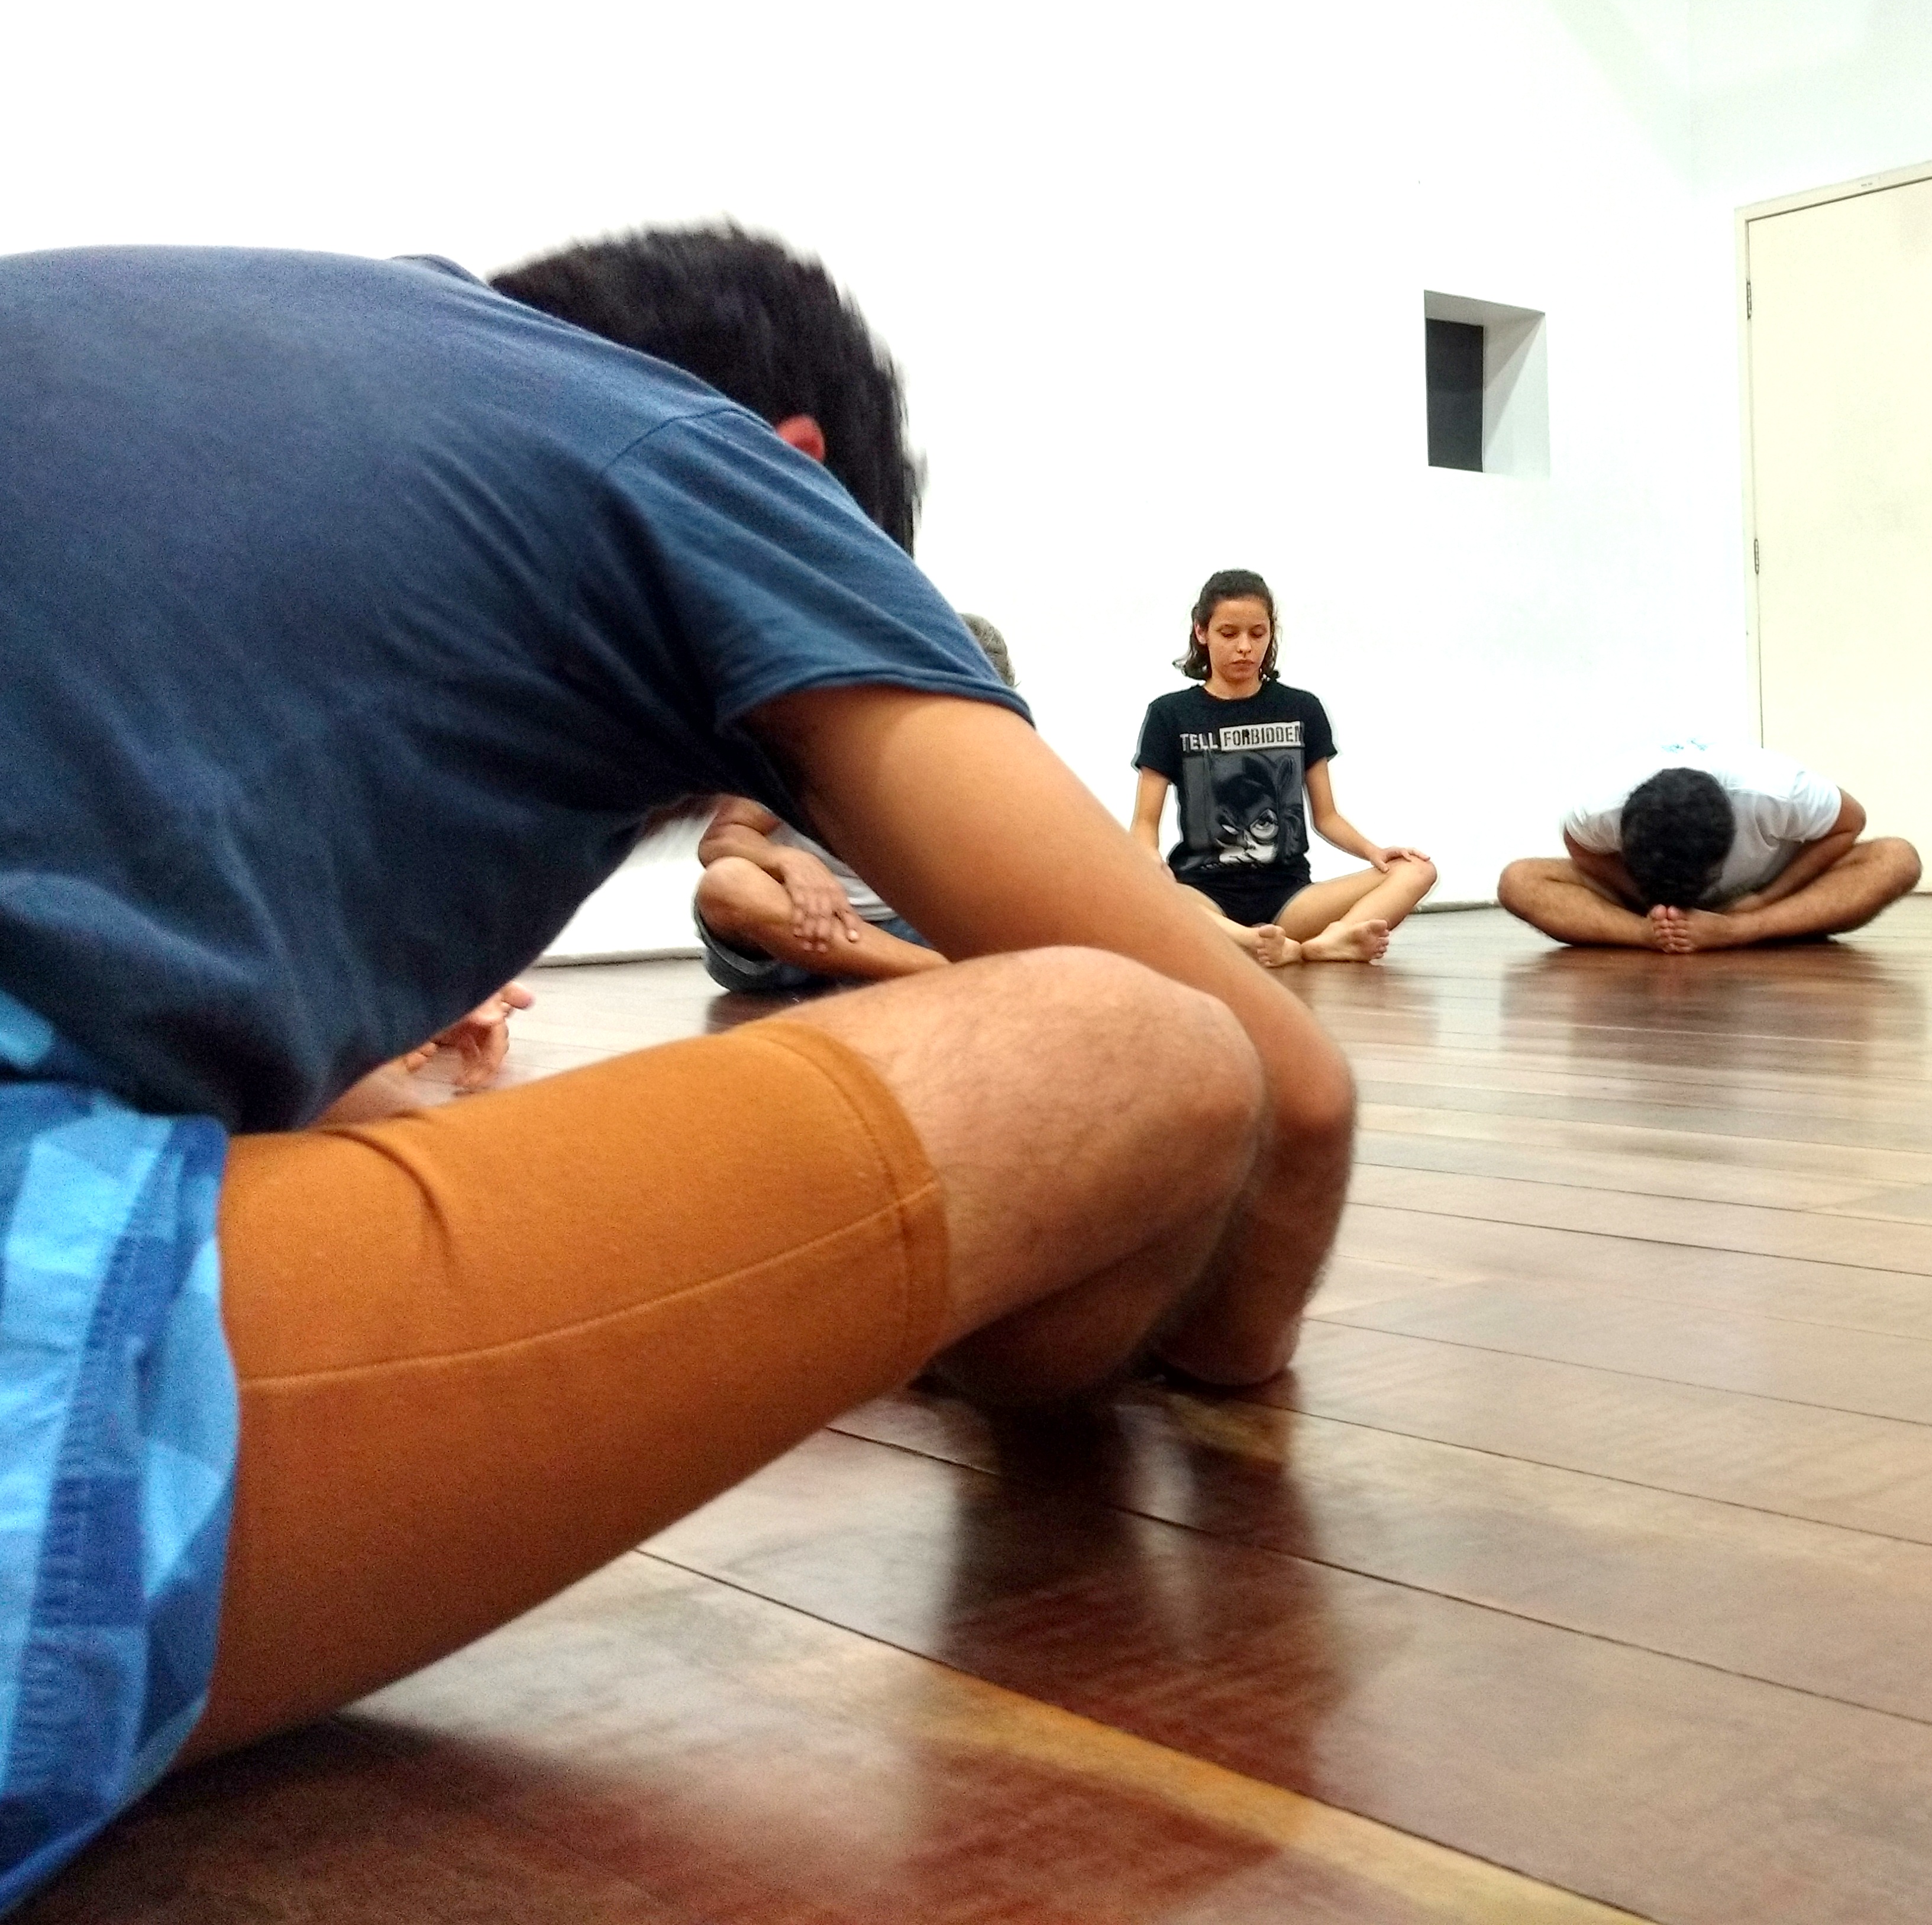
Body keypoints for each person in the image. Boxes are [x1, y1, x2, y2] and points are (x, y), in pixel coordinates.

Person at [0, 232, 1356, 1904]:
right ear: (802, 468)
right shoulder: (702, 460)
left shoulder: (262, 335)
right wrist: (1196, 1353)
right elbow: (1290, 1095)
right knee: (1135, 1046)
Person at [691, 617, 1023, 993]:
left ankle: (901, 969)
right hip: (787, 934)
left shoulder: (989, 770)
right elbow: (718, 842)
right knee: (727, 883)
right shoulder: (815, 739)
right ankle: (939, 973)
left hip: (904, 934)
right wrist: (789, 861)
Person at [1132, 571, 1435, 966]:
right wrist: (1147, 860)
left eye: (1258, 634)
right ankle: (1251, 941)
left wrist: (1373, 851)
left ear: (1271, 633)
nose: (1245, 647)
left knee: (1417, 871)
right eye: (1229, 634)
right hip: (1202, 893)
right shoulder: (1170, 714)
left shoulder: (1301, 708)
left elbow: (1327, 817)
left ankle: (1330, 940)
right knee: (1138, 887)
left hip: (1290, 897)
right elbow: (1144, 824)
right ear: (1201, 632)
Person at [1497, 743, 1921, 951]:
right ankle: (1651, 936)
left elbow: (1850, 823)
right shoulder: (1599, 806)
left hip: (1764, 892)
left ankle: (1743, 931)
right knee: (1519, 880)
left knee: (1896, 858)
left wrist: (1760, 904)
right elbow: (1579, 846)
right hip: (1646, 901)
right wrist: (1647, 905)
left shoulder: (1775, 789)